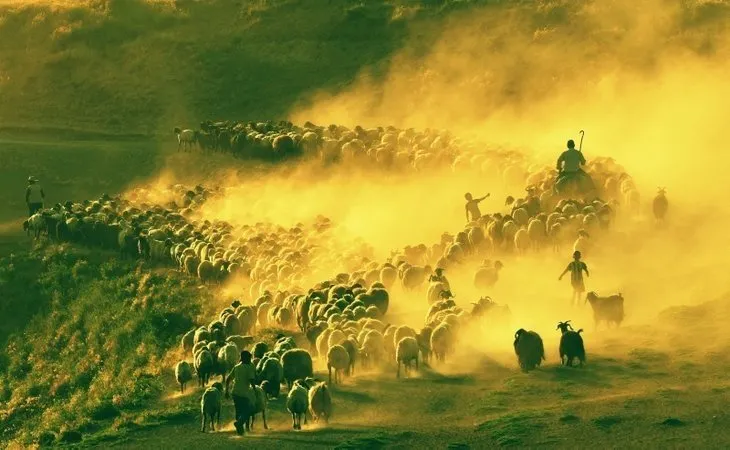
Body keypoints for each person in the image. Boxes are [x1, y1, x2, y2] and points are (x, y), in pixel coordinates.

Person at [225, 350, 257, 435]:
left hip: (235, 392)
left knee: (239, 411)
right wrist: (255, 390)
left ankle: (240, 432)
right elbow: (251, 380)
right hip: (244, 393)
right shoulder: (249, 367)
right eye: (249, 358)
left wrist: (226, 391)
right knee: (248, 410)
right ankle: (239, 424)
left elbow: (228, 379)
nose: (250, 359)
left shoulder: (237, 367)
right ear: (245, 358)